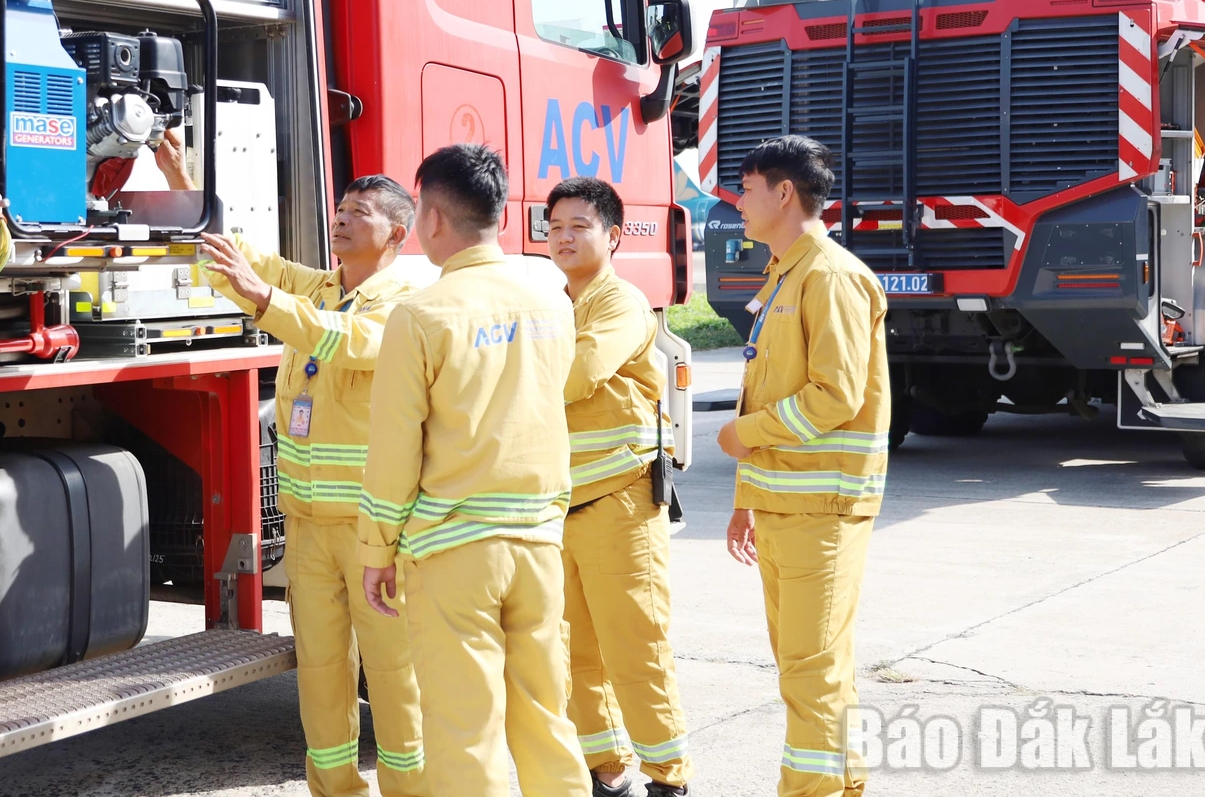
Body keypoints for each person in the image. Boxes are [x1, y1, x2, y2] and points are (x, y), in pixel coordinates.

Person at [358, 144, 591, 797]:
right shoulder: (551, 296)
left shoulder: (421, 315)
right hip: (540, 542)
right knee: (547, 716)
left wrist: (376, 549)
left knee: (466, 734)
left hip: (454, 550)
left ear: (431, 218)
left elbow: (394, 449)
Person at [201, 175, 426, 797]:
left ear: (397, 235)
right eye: (341, 209)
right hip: (305, 523)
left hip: (371, 528)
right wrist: (183, 187)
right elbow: (240, 264)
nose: (342, 220)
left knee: (392, 672)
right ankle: (334, 789)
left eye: (360, 214)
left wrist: (265, 298)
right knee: (321, 674)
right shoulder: (325, 288)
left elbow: (347, 342)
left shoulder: (402, 302)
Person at [716, 136, 889, 797]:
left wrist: (743, 434)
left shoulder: (831, 276)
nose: (737, 201)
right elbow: (769, 387)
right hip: (784, 508)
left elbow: (834, 396)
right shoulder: (785, 274)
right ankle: (843, 784)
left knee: (810, 671)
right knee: (808, 669)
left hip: (824, 511)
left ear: (783, 193)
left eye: (747, 188)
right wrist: (746, 499)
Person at [546, 177, 690, 797]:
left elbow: (577, 375)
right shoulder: (557, 303)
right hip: (563, 507)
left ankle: (669, 778)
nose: (564, 237)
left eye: (579, 225)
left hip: (620, 505)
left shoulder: (620, 303)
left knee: (637, 649)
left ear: (613, 234)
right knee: (574, 653)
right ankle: (608, 770)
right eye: (554, 227)